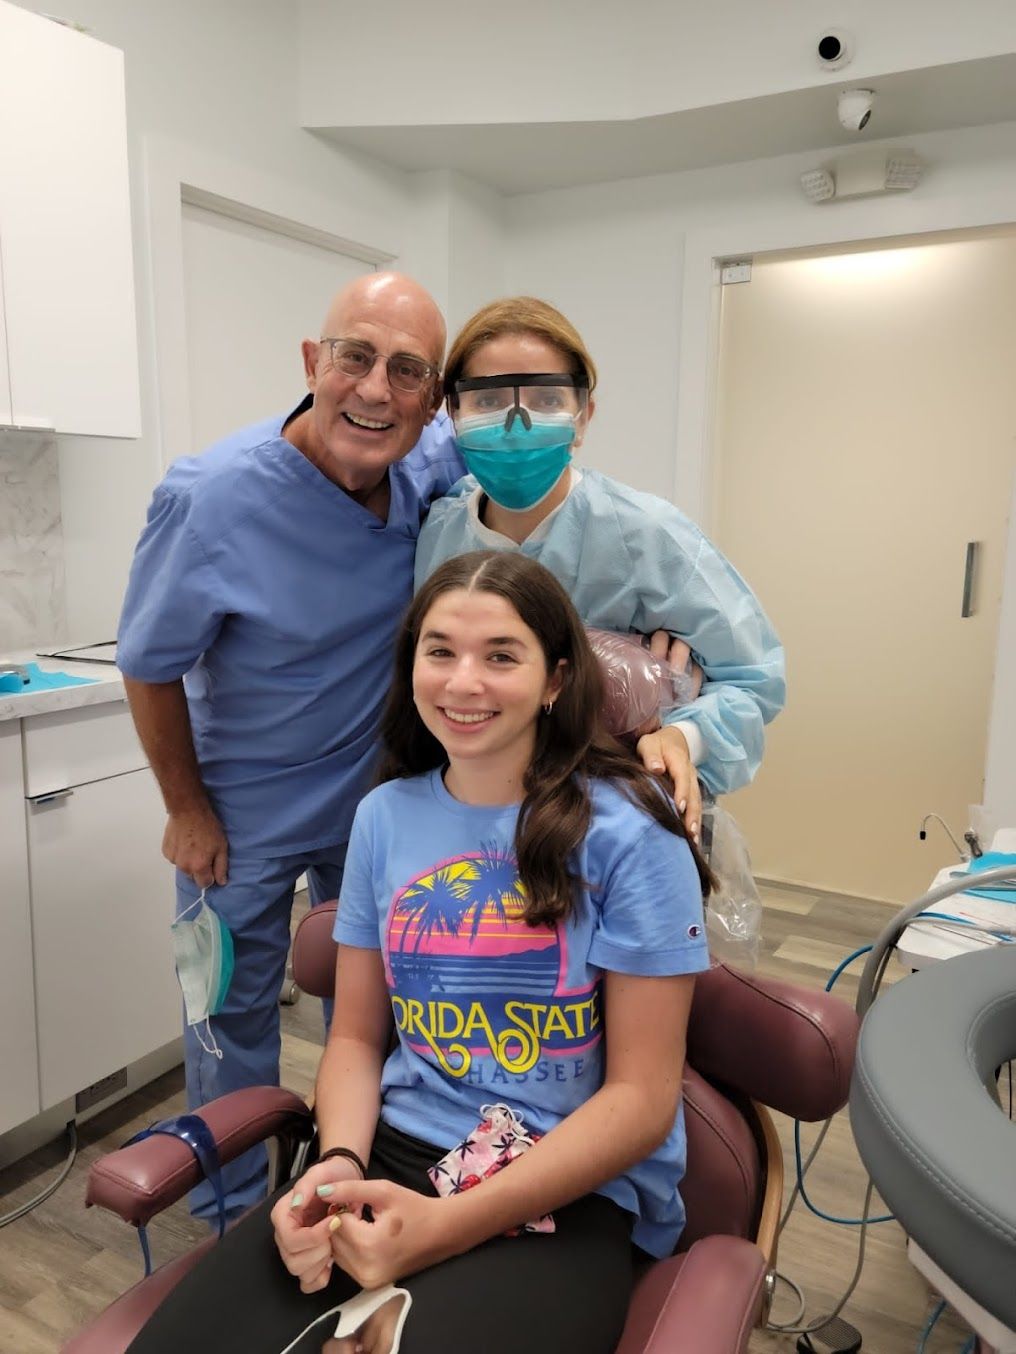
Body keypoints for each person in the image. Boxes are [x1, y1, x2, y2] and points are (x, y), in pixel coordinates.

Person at [125, 549, 712, 1354]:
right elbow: (359, 1037)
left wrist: (439, 1230)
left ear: (555, 681)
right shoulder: (385, 818)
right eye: (439, 652)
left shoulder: (631, 831)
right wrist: (333, 1165)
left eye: (501, 655)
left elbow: (642, 1102)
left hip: (566, 1187)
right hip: (395, 1150)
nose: (462, 683)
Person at [116, 272, 464, 1221]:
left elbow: (539, 495)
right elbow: (147, 664)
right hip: (240, 820)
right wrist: (184, 809)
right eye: (354, 356)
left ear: (431, 401)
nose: (374, 390)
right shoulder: (211, 498)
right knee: (227, 1026)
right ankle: (231, 1220)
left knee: (383, 1013)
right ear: (314, 363)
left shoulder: (428, 463)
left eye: (406, 372)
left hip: (376, 815)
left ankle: (372, 1189)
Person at [416, 296, 786, 843]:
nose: (516, 423)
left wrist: (684, 732)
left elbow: (754, 679)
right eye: (489, 399)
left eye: (544, 399)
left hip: (617, 820)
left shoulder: (646, 534)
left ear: (583, 416)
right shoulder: (441, 530)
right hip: (477, 810)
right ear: (454, 414)